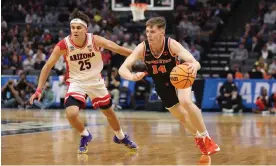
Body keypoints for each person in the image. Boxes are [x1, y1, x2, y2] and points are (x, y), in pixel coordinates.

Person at [29, 9, 137, 154]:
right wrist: (38, 90)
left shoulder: (95, 40)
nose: (75, 30)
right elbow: (47, 66)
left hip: (95, 81)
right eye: (73, 27)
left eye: (79, 27)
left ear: (86, 29)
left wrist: (139, 55)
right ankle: (85, 134)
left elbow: (117, 48)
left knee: (109, 113)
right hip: (77, 82)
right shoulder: (64, 45)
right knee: (71, 113)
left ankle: (121, 137)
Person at [118, 17, 220, 155]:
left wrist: (193, 68)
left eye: (152, 31)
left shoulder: (171, 44)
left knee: (185, 102)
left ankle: (206, 137)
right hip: (161, 85)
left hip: (179, 78)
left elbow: (195, 62)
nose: (148, 34)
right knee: (182, 117)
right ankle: (198, 138)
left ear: (162, 32)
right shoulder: (142, 48)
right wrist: (131, 76)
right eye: (147, 31)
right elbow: (122, 68)